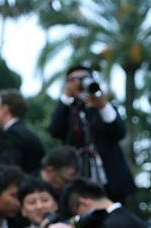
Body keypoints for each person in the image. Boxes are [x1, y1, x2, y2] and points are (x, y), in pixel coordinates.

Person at [49, 66, 135, 203]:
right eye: (74, 79)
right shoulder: (67, 110)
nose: (79, 82)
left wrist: (103, 105)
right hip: (77, 182)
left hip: (111, 183)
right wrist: (66, 95)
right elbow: (54, 131)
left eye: (84, 78)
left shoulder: (102, 107)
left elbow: (119, 132)